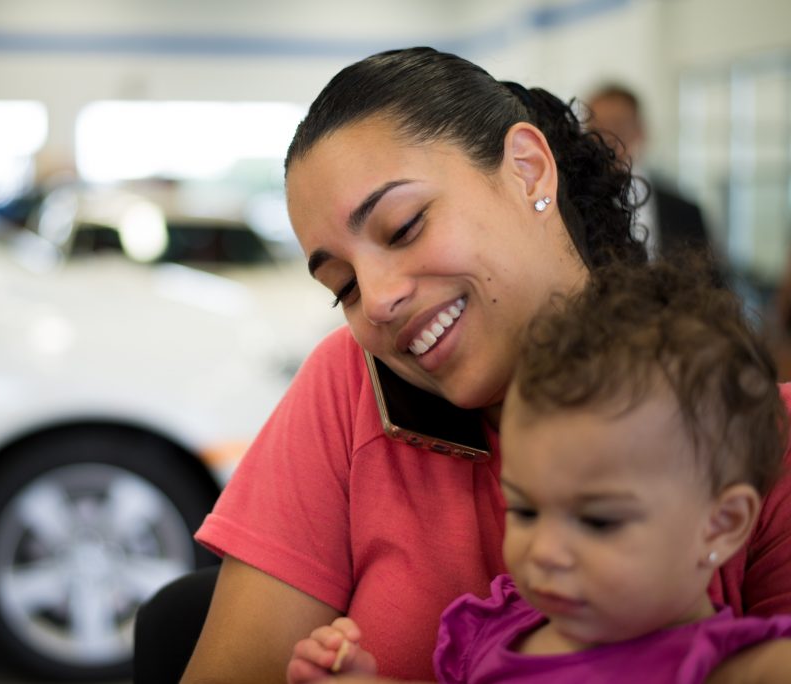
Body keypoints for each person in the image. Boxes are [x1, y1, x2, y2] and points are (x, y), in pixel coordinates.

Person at [159, 46, 791, 683]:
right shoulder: (352, 385)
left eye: (404, 227)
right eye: (343, 286)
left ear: (526, 169)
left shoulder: (751, 433)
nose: (377, 301)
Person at [286, 257, 791, 683]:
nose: (545, 552)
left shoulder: (733, 667)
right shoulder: (497, 629)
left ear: (721, 524)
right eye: (525, 510)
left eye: (598, 521)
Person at [585, 82, 712, 262]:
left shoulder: (685, 212)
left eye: (618, 126)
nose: (607, 139)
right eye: (596, 129)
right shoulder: (572, 205)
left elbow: (708, 281)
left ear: (641, 131)